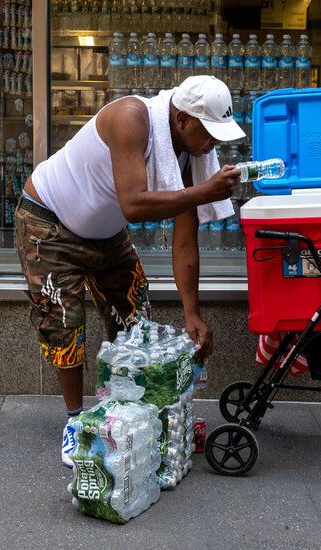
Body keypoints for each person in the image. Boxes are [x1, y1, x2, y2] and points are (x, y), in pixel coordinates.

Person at [17, 75, 245, 417]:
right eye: (209, 131)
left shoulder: (190, 154)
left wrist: (192, 313)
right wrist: (205, 192)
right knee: (64, 322)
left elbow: (184, 241)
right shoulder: (131, 117)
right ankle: (76, 421)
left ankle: (123, 410)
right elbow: (134, 206)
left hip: (105, 232)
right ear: (182, 119)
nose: (213, 143)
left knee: (135, 317)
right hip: (49, 221)